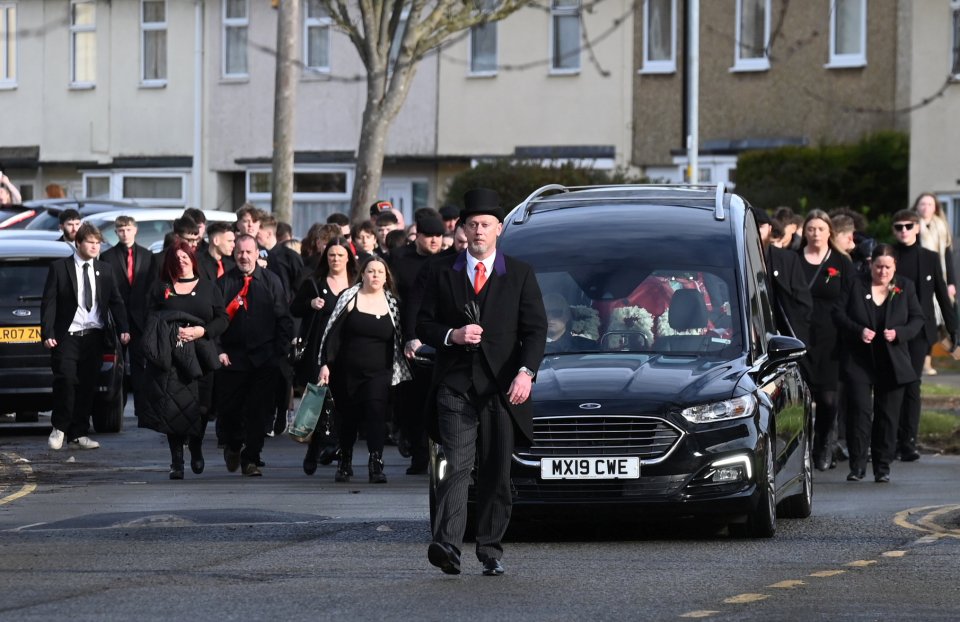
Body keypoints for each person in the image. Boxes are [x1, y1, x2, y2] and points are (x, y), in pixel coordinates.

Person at [417, 187, 547, 577]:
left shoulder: (519, 273)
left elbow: (536, 330)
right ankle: (448, 546)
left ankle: (490, 549)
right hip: (455, 386)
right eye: (472, 224)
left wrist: (526, 373)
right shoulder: (442, 272)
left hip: (503, 390)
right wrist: (451, 336)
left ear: (499, 230)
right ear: (463, 229)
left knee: (495, 472)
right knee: (456, 465)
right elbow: (423, 323)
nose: (478, 231)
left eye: (486, 225)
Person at [318, 255, 412, 484]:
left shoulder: (393, 304)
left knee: (376, 414)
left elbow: (401, 337)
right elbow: (332, 334)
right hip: (346, 372)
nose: (375, 276)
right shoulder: (349, 298)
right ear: (362, 274)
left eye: (380, 272)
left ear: (386, 276)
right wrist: (325, 364)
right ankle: (345, 461)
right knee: (348, 418)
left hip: (380, 372)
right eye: (371, 271)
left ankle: (375, 462)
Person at [833, 244, 924, 483]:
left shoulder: (905, 287)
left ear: (895, 267)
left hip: (892, 361)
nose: (883, 272)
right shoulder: (855, 283)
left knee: (887, 415)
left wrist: (900, 333)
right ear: (871, 265)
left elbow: (917, 318)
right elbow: (838, 313)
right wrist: (858, 330)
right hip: (859, 360)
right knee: (860, 413)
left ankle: (882, 467)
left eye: (888, 267)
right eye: (878, 266)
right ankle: (858, 466)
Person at [139, 241, 228, 479]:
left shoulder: (209, 287)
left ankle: (196, 447)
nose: (181, 261)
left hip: (202, 356)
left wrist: (202, 331)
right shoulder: (162, 288)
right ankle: (176, 461)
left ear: (193, 259)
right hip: (172, 356)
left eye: (185, 257)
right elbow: (149, 318)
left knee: (201, 407)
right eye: (176, 258)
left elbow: (222, 318)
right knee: (173, 409)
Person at [41, 223, 131, 451]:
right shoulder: (60, 268)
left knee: (87, 385)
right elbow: (49, 302)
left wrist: (124, 328)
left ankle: (79, 433)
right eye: (90, 242)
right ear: (78, 243)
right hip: (67, 335)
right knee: (66, 381)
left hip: (94, 336)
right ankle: (59, 427)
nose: (94, 246)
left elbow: (116, 301)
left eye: (97, 242)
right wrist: (48, 332)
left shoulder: (105, 269)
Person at [215, 234, 294, 476]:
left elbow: (283, 318)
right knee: (230, 411)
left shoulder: (271, 281)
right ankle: (233, 445)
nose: (244, 256)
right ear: (233, 253)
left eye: (249, 252)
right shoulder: (223, 283)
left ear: (257, 253)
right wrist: (219, 350)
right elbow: (214, 320)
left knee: (259, 411)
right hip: (232, 358)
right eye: (240, 252)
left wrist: (278, 352)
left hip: (264, 358)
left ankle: (251, 458)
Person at [890, 210, 957, 462]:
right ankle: (891, 440)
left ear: (917, 228)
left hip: (920, 330)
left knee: (912, 385)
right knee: (894, 385)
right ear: (894, 230)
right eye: (899, 227)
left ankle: (908, 441)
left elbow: (941, 293)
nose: (904, 230)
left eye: (909, 226)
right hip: (893, 329)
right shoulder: (889, 255)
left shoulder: (928, 258)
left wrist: (953, 329)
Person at [291, 237, 357, 474]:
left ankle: (338, 450)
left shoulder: (357, 283)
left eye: (340, 255)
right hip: (318, 350)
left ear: (348, 257)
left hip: (348, 350)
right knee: (320, 398)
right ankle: (316, 444)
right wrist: (310, 303)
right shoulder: (315, 282)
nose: (336, 259)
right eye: (331, 255)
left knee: (343, 401)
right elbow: (294, 308)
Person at [797, 209, 854, 471]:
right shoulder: (794, 260)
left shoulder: (842, 262)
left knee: (829, 400)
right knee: (803, 400)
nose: (816, 233)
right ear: (804, 232)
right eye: (811, 229)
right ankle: (803, 450)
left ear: (830, 231)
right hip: (800, 337)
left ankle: (823, 445)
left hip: (832, 338)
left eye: (820, 229)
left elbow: (850, 298)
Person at [391, 215, 446, 474]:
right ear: (417, 236)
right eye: (429, 236)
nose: (434, 240)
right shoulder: (401, 260)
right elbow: (405, 301)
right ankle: (416, 451)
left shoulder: (447, 261)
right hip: (409, 339)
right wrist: (409, 337)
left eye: (438, 236)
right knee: (411, 400)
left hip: (438, 337)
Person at [99, 215, 158, 416]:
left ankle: (143, 410)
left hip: (141, 320)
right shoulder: (108, 257)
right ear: (115, 232)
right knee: (117, 367)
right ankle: (117, 409)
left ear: (135, 230)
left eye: (128, 229)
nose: (125, 233)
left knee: (141, 366)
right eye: (120, 230)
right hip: (117, 319)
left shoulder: (147, 256)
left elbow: (151, 289)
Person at [753, 207, 812, 345]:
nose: (755, 231)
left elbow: (803, 301)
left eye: (760, 226)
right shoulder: (737, 259)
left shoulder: (787, 259)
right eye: (751, 226)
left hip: (786, 336)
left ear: (769, 228)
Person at [913, 192, 957, 376]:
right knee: (926, 320)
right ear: (917, 207)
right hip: (921, 280)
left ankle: (952, 351)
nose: (925, 208)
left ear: (935, 207)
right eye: (922, 204)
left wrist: (951, 282)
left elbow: (947, 256)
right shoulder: (912, 226)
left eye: (929, 204)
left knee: (940, 321)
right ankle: (926, 361)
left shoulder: (941, 227)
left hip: (940, 279)